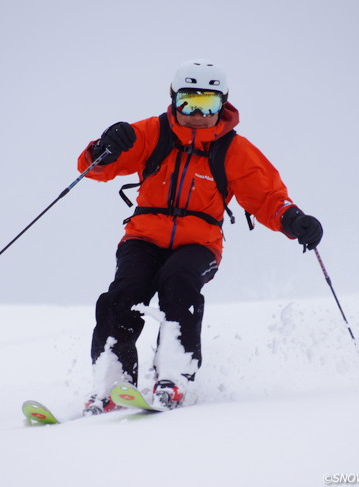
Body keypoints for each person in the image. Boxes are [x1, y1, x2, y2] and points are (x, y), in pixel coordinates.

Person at [78, 59, 323, 414]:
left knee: (178, 283)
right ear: (173, 99)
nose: (196, 113)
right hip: (143, 238)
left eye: (207, 104)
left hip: (199, 244)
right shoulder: (152, 133)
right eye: (188, 102)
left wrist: (293, 219)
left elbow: (266, 196)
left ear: (223, 104)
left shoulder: (233, 150)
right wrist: (106, 145)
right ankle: (112, 384)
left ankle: (173, 379)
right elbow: (95, 168)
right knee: (123, 295)